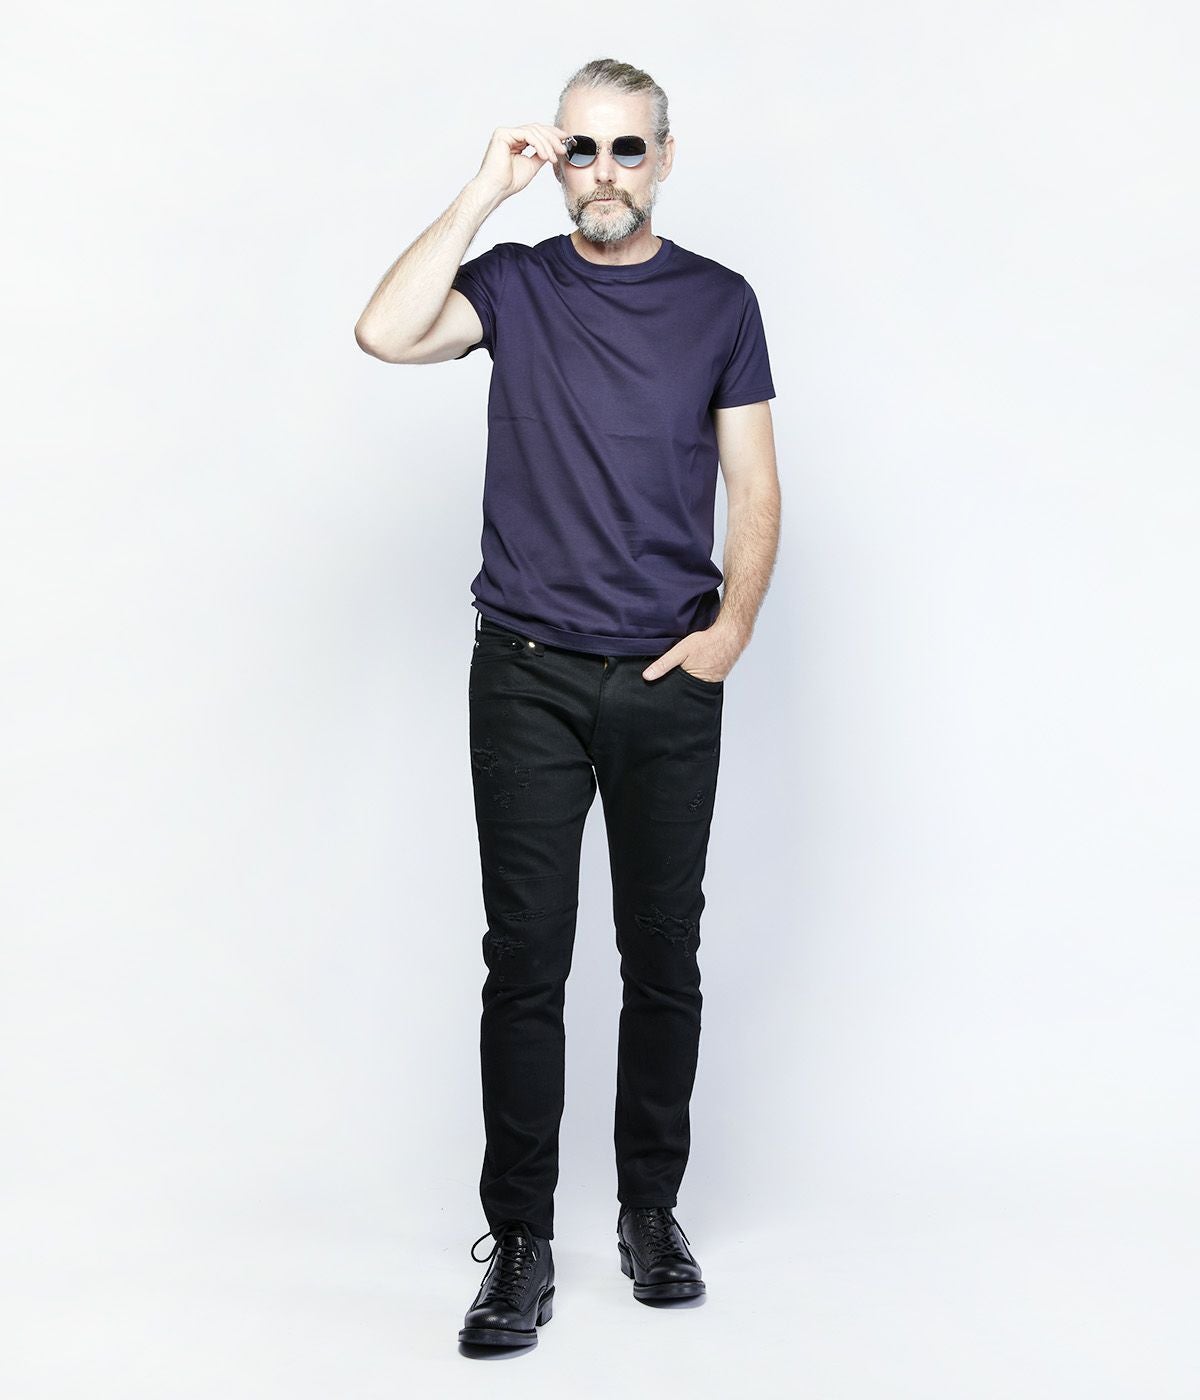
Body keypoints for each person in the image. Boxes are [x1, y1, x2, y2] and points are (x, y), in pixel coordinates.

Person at [355, 57, 780, 1353]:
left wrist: (727, 635)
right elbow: (385, 331)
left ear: (665, 157)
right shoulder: (517, 284)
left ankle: (650, 1214)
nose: (602, 172)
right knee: (526, 963)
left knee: (663, 958)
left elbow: (755, 487)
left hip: (664, 678)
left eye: (627, 148)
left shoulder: (720, 302)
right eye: (580, 148)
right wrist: (483, 189)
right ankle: (523, 1243)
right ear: (558, 159)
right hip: (527, 673)